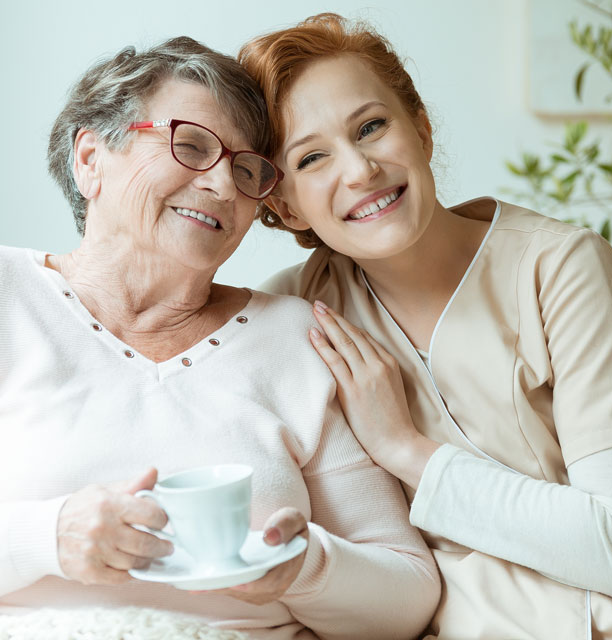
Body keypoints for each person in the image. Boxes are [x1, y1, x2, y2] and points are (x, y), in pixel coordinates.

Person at [0, 36, 441, 640]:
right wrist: (44, 538)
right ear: (90, 159)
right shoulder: (8, 295)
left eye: (246, 169)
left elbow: (408, 596)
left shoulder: (295, 338)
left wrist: (302, 569)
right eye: (191, 146)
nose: (225, 188)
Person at [239, 14, 612, 639]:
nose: (360, 170)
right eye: (312, 157)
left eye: (371, 127)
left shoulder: (560, 269)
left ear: (420, 129)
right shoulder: (290, 315)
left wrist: (404, 448)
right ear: (283, 205)